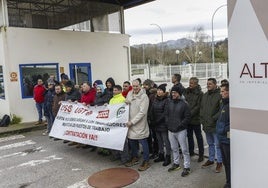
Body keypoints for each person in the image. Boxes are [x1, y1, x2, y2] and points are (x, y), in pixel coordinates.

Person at [165, 86, 191, 177]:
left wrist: (179, 125)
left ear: (179, 94)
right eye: (172, 92)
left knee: (184, 149)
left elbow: (187, 118)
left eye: (175, 93)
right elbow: (166, 115)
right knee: (174, 148)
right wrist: (168, 124)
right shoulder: (169, 103)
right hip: (171, 130)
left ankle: (187, 167)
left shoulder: (184, 104)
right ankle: (176, 164)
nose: (173, 94)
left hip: (181, 131)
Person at [125, 79, 150, 171]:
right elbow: (126, 104)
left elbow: (142, 112)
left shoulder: (144, 97)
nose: (135, 88)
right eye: (133, 86)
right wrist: (126, 102)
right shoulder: (129, 93)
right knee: (131, 141)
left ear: (140, 86)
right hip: (130, 122)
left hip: (139, 123)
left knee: (143, 142)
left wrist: (132, 121)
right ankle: (135, 157)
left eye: (137, 86)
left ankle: (146, 161)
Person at [200, 78, 223, 173]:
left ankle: (220, 162)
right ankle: (211, 159)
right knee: (210, 144)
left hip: (215, 125)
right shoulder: (205, 95)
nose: (208, 85)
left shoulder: (219, 95)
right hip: (206, 125)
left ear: (215, 84)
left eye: (210, 84)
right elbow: (201, 109)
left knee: (218, 145)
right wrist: (202, 119)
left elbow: (221, 110)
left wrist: (213, 119)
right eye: (207, 83)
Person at [184, 77, 204, 162]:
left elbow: (198, 106)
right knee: (189, 136)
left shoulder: (200, 93)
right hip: (188, 119)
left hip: (195, 119)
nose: (190, 84)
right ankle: (191, 151)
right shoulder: (186, 91)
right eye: (189, 82)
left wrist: (189, 114)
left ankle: (201, 154)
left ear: (196, 84)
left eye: (192, 83)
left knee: (198, 137)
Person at [150, 83, 171, 166]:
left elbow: (165, 113)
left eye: (161, 90)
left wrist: (157, 121)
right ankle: (161, 154)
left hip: (163, 124)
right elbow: (152, 110)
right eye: (158, 90)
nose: (159, 92)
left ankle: (168, 156)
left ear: (164, 92)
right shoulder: (155, 99)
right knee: (159, 140)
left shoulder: (167, 100)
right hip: (156, 124)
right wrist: (151, 119)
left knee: (166, 140)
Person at [109, 85, 129, 164]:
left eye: (116, 90)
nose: (114, 92)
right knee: (113, 140)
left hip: (120, 124)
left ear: (120, 91)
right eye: (113, 90)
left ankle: (125, 158)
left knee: (122, 142)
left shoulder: (123, 99)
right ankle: (116, 155)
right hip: (113, 123)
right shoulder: (111, 100)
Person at [216, 83, 230, 188]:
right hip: (221, 138)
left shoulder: (231, 105)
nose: (221, 93)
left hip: (227, 140)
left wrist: (222, 130)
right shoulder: (223, 103)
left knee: (229, 163)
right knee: (225, 163)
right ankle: (228, 181)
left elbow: (233, 123)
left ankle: (230, 182)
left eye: (222, 91)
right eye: (221, 91)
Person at [143, 79, 158, 159]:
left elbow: (151, 108)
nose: (144, 87)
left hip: (153, 119)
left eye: (145, 85)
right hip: (148, 118)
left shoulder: (153, 94)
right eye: (143, 85)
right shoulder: (147, 93)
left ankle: (156, 151)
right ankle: (150, 150)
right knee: (148, 135)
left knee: (155, 136)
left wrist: (150, 117)